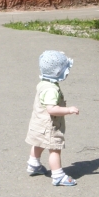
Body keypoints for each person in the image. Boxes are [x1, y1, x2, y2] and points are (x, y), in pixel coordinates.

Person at [25, 50, 80, 186]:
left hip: (39, 122)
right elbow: (51, 109)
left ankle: (34, 164)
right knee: (54, 148)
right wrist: (68, 110)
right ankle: (58, 175)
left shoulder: (43, 83)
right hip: (50, 125)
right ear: (58, 73)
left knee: (38, 142)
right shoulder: (52, 90)